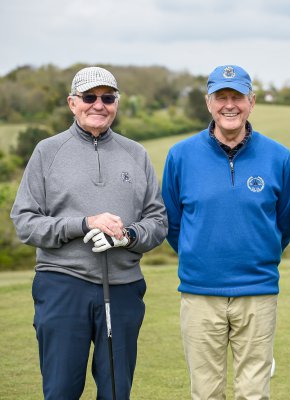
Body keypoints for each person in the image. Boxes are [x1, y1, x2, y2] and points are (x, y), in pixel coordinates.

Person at [11, 66, 168, 399]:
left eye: (107, 98)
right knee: (61, 390)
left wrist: (127, 236)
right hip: (62, 285)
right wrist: (83, 224)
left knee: (115, 390)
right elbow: (25, 221)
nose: (99, 105)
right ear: (72, 103)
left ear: (116, 104)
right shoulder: (47, 152)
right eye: (89, 97)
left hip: (123, 289)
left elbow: (158, 220)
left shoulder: (136, 154)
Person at [162, 64, 290, 400]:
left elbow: (285, 223)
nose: (229, 104)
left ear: (251, 101)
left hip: (258, 291)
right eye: (220, 97)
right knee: (206, 392)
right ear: (208, 103)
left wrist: (257, 256)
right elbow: (173, 222)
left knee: (254, 392)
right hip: (199, 292)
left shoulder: (279, 157)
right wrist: (201, 256)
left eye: (237, 96)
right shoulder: (180, 155)